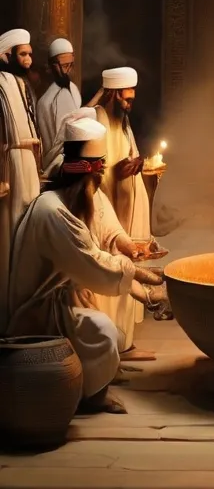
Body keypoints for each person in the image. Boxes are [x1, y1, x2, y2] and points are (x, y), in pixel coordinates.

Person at [7, 114, 163, 413]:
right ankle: (91, 396)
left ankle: (96, 375)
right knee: (104, 331)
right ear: (89, 174)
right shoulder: (54, 211)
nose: (99, 184)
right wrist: (143, 276)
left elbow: (105, 222)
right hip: (40, 312)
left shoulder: (80, 193)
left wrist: (126, 244)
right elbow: (93, 262)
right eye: (98, 176)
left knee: (114, 334)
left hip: (68, 298)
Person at [87, 67, 160, 361]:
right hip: (107, 211)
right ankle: (110, 348)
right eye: (127, 99)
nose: (130, 104)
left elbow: (125, 157)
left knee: (129, 268)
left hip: (127, 207)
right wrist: (114, 174)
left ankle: (126, 344)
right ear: (114, 94)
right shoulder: (95, 121)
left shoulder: (123, 121)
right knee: (110, 277)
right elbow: (89, 169)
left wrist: (136, 166)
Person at [0, 28, 41, 331]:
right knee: (11, 229)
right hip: (12, 163)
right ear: (6, 56)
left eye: (29, 54)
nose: (29, 59)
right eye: (23, 54)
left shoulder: (21, 83)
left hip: (28, 162)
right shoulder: (1, 84)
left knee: (27, 226)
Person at [37, 38, 82, 173]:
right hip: (55, 166)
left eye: (70, 65)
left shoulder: (73, 89)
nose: (67, 70)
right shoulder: (45, 102)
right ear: (52, 66)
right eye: (64, 66)